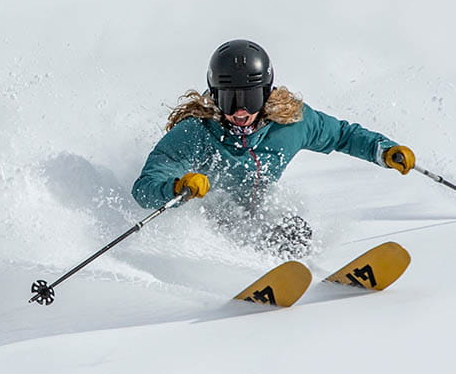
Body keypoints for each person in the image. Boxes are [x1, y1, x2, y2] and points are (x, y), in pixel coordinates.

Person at [131, 39, 415, 257]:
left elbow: (342, 134)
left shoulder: (290, 123)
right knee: (240, 232)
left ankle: (305, 280)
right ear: (214, 95)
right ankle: (231, 275)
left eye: (251, 99)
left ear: (267, 93)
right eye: (230, 100)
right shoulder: (195, 132)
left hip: (258, 215)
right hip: (213, 223)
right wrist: (178, 186)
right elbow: (145, 187)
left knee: (296, 232)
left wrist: (383, 151)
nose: (240, 111)